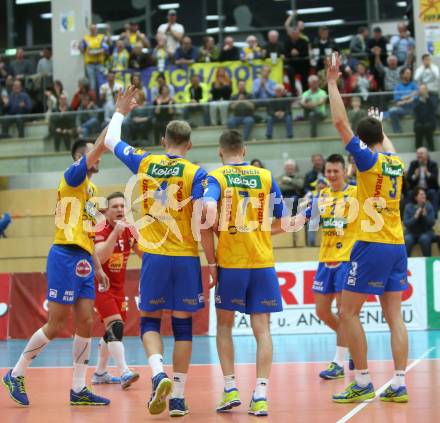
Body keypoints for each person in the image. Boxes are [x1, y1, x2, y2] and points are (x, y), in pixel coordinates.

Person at [104, 88, 207, 417]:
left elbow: (110, 142)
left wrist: (121, 111)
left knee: (149, 320)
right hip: (187, 257)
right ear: (188, 145)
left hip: (154, 256)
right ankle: (176, 396)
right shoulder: (197, 172)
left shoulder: (146, 161)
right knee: (183, 327)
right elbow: (208, 214)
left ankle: (158, 372)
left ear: (164, 140)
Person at [2, 136, 110, 407]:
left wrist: (97, 267)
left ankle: (78, 388)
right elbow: (98, 148)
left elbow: (87, 235)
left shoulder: (92, 190)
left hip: (84, 257)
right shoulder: (72, 176)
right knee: (57, 322)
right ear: (79, 157)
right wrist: (117, 116)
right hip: (63, 255)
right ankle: (16, 373)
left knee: (85, 321)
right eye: (92, 155)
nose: (98, 158)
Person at [328, 52, 409, 403]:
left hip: (371, 243)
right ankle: (400, 382)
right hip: (397, 244)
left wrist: (332, 83)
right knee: (395, 317)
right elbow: (384, 143)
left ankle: (361, 381)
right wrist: (381, 126)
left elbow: (340, 124)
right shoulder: (396, 163)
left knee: (346, 312)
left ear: (361, 145)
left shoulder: (367, 160)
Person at [200, 129, 292, 416]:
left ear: (220, 152)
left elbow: (208, 208)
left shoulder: (217, 176)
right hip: (262, 261)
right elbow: (284, 219)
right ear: (245, 149)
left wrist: (212, 261)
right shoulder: (264, 177)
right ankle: (261, 395)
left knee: (224, 326)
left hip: (232, 263)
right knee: (262, 330)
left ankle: (230, 389)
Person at [307, 154, 357, 379]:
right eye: (328, 171)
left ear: (344, 171)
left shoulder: (356, 193)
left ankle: (338, 363)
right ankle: (353, 342)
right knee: (322, 311)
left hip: (346, 259)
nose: (331, 175)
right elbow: (302, 218)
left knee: (344, 313)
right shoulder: (321, 196)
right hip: (325, 260)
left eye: (336, 171)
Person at [92, 192, 142, 388]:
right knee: (116, 326)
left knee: (111, 330)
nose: (120, 209)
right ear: (106, 211)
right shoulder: (101, 228)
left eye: (122, 206)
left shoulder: (130, 229)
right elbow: (101, 257)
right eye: (115, 207)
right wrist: (115, 233)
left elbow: (144, 254)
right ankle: (124, 372)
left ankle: (100, 373)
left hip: (119, 288)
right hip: (100, 285)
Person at [404, 187, 436, 257]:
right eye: (421, 194)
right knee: (407, 239)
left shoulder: (428, 206)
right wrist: (415, 216)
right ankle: (405, 264)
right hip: (411, 233)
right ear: (416, 197)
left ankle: (428, 262)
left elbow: (432, 223)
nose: (424, 196)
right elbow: (406, 223)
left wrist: (425, 216)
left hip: (426, 232)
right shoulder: (408, 207)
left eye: (424, 194)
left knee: (424, 238)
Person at [406, 147, 439, 215]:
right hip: (416, 189)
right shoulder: (413, 164)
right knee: (409, 193)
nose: (419, 155)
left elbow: (434, 178)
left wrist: (428, 174)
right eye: (417, 154)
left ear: (426, 155)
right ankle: (409, 215)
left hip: (429, 188)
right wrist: (415, 176)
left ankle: (433, 216)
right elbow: (408, 178)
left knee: (433, 192)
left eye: (421, 153)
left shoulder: (433, 164)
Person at [80, 24, 109, 95]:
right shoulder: (86, 38)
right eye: (92, 29)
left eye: (94, 29)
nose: (93, 30)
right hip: (90, 64)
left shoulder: (101, 37)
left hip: (99, 63)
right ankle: (94, 100)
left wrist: (96, 52)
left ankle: (102, 100)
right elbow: (83, 50)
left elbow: (105, 48)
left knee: (101, 82)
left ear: (97, 29)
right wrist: (80, 47)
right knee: (92, 84)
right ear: (90, 30)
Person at [388, 67, 418, 133]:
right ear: (402, 75)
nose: (409, 75)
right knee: (392, 111)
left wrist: (404, 100)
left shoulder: (414, 85)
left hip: (412, 107)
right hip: (403, 109)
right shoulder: (397, 86)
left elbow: (416, 96)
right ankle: (398, 131)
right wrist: (410, 95)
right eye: (407, 73)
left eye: (410, 73)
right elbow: (396, 98)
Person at [284, 25, 310, 94]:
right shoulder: (287, 42)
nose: (295, 35)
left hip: (302, 64)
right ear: (291, 34)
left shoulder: (304, 41)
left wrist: (298, 53)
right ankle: (293, 93)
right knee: (289, 71)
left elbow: (306, 54)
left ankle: (305, 93)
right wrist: (291, 53)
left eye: (297, 34)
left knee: (304, 77)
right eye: (294, 34)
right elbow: (285, 54)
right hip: (292, 64)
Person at [413, 84, 437, 150]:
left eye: (423, 89)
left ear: (426, 90)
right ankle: (418, 148)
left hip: (430, 121)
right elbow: (415, 109)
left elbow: (434, 107)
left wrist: (427, 98)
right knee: (418, 127)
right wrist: (421, 101)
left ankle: (431, 148)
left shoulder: (432, 98)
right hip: (419, 122)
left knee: (428, 126)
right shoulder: (416, 99)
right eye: (420, 89)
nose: (422, 91)